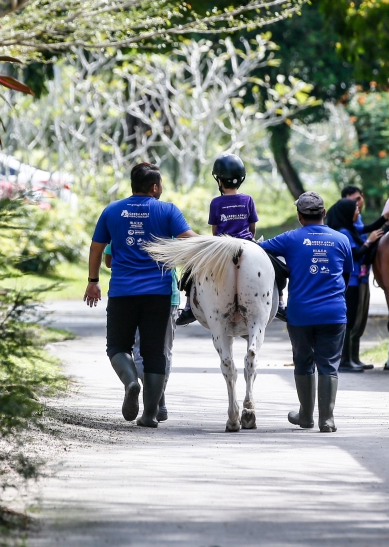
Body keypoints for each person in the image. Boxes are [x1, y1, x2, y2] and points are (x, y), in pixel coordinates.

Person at [84, 163, 196, 427]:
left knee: (117, 347)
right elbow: (191, 241)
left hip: (122, 292)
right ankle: (149, 415)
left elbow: (97, 248)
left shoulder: (112, 210)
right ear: (155, 187)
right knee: (155, 353)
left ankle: (131, 381)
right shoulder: (167, 210)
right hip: (157, 294)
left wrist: (92, 281)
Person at [259, 192, 353, 432]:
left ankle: (306, 416)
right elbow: (346, 276)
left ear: (299, 216)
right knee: (329, 365)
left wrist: (283, 269)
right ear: (323, 214)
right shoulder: (341, 240)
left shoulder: (290, 238)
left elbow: (258, 250)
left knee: (303, 362)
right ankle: (327, 419)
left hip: (300, 314)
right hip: (334, 314)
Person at [175, 154, 264, 325]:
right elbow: (252, 228)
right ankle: (281, 302)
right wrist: (250, 238)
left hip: (221, 244)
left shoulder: (216, 202)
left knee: (192, 269)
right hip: (247, 241)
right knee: (276, 266)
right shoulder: (248, 200)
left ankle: (188, 307)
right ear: (241, 180)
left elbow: (215, 231)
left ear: (219, 181)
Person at [104, 242, 181, 422]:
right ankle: (157, 404)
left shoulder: (122, 218)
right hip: (166, 295)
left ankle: (141, 390)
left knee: (138, 352)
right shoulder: (168, 220)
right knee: (162, 352)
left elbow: (108, 259)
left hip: (128, 292)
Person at [325, 197, 383, 373]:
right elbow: (355, 255)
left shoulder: (349, 229)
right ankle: (344, 361)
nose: (358, 212)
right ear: (346, 213)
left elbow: (366, 228)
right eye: (355, 210)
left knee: (349, 320)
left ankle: (349, 359)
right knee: (348, 320)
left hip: (355, 279)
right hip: (352, 280)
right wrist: (369, 241)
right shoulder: (344, 232)